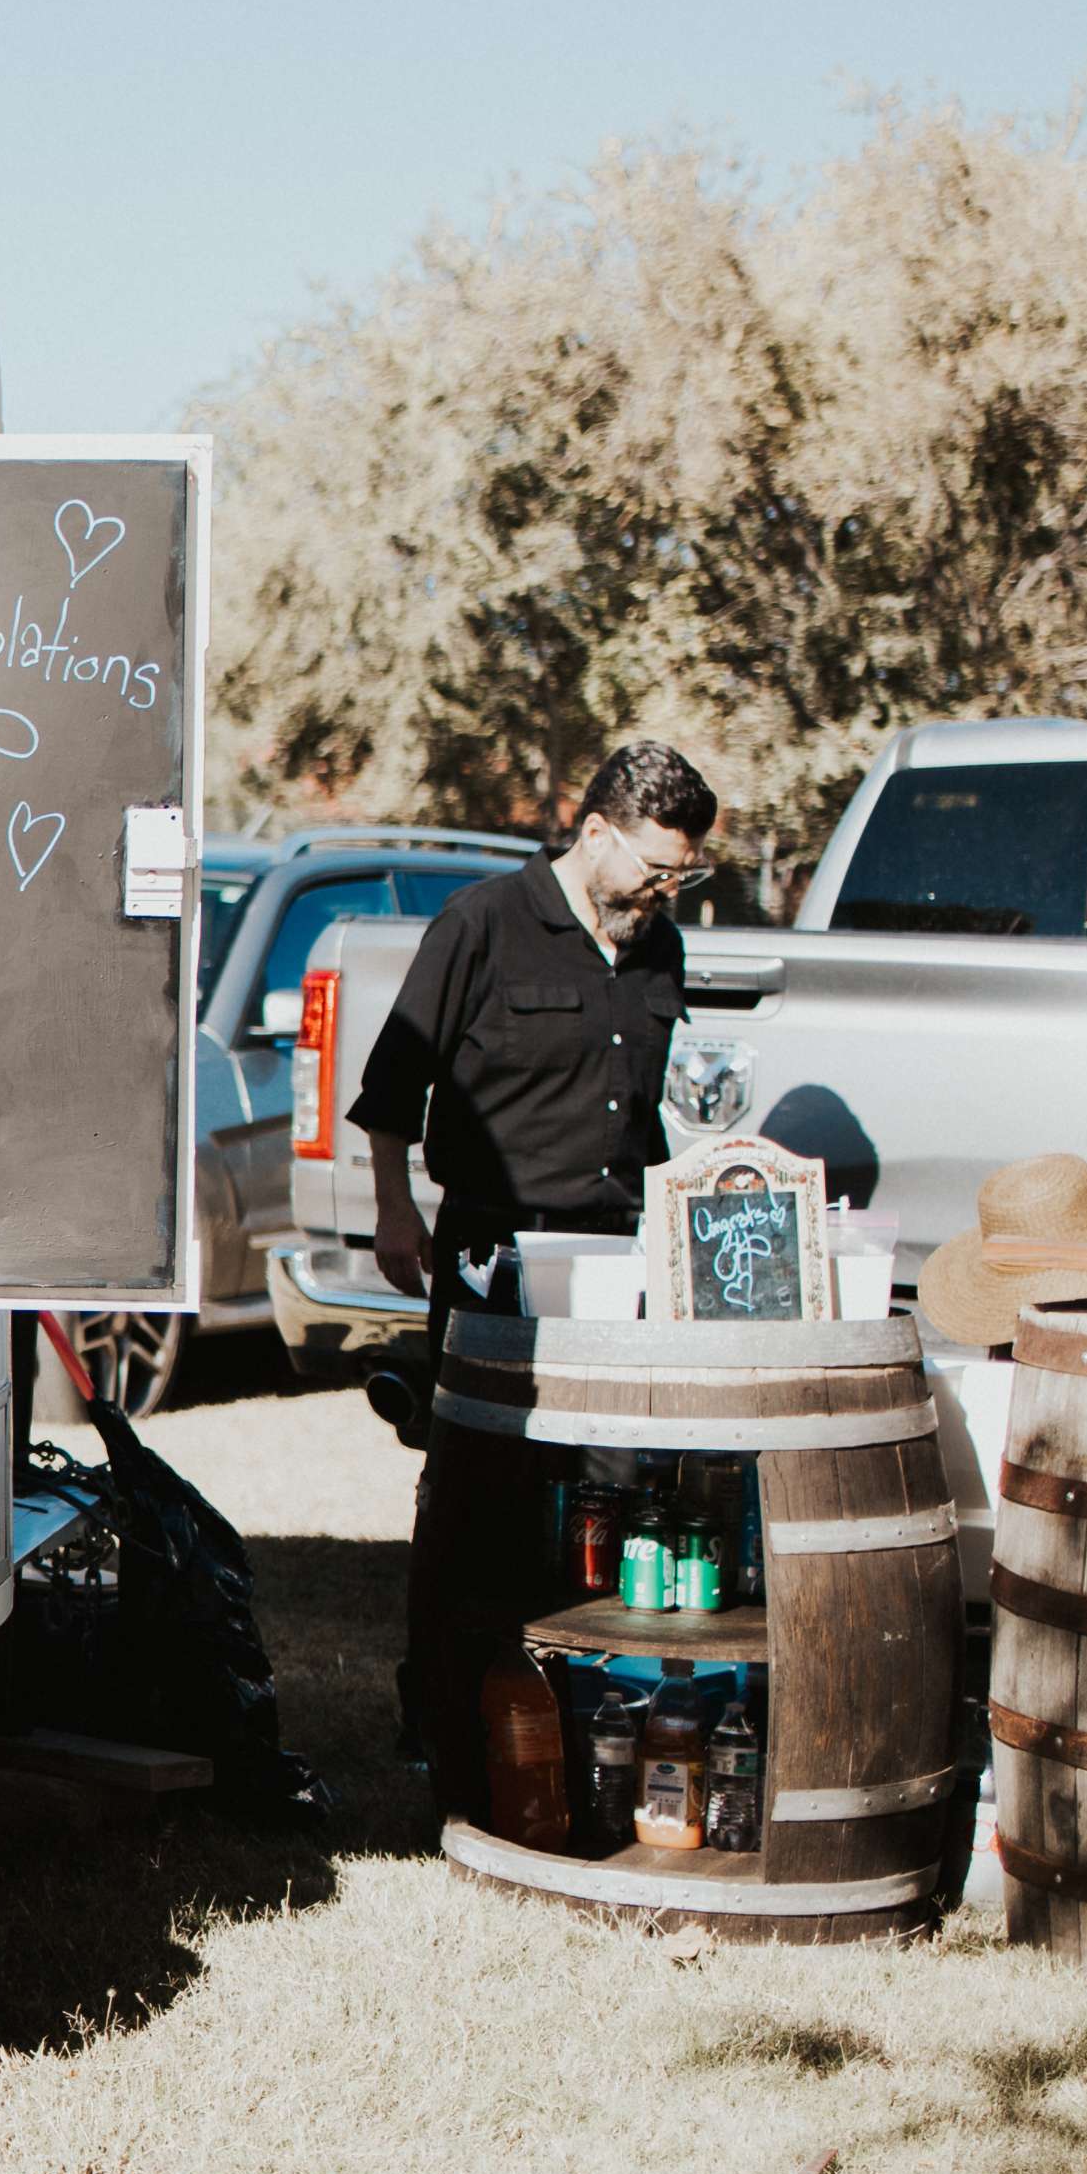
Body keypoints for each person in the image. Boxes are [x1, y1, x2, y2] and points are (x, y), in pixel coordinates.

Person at [344, 740, 718, 1806]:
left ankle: (570, 1694)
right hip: (494, 1249)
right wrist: (389, 1212)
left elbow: (655, 1106)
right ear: (593, 830)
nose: (664, 889)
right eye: (653, 866)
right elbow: (388, 1091)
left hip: (614, 1247)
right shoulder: (481, 924)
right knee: (473, 1484)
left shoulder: (659, 949)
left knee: (600, 1487)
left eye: (682, 873)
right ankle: (443, 1704)